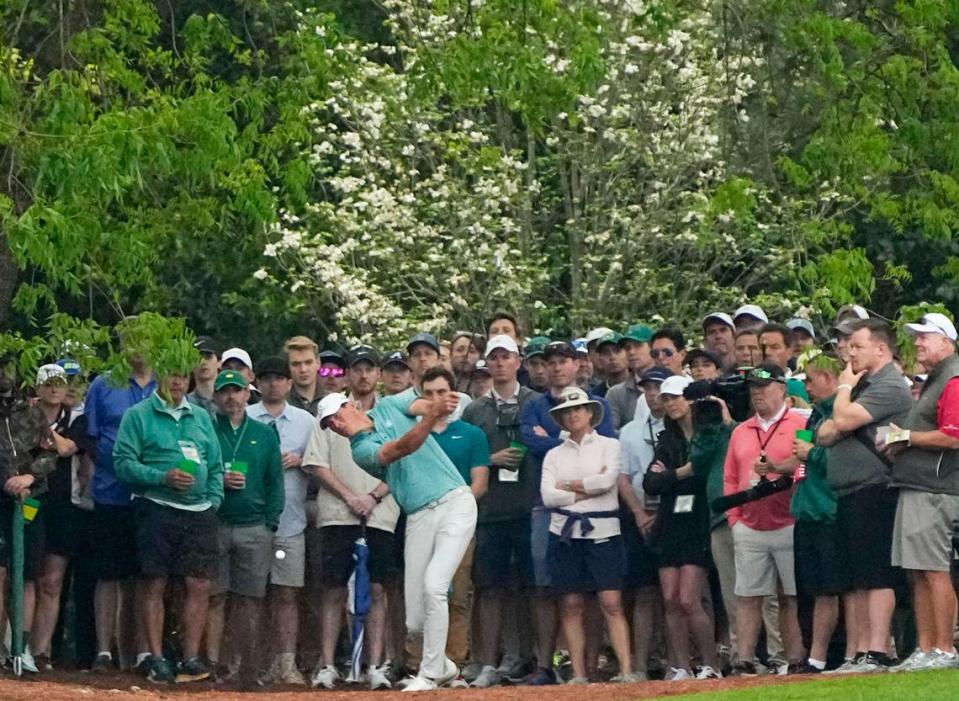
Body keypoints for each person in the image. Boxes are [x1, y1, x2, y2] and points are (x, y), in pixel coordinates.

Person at [320, 385, 475, 692]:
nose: (335, 425)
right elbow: (400, 448)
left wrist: (434, 406)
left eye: (335, 416)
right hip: (418, 515)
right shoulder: (359, 451)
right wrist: (431, 416)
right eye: (328, 425)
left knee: (435, 586)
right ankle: (445, 667)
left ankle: (429, 674)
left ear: (351, 405)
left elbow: (416, 405)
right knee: (415, 622)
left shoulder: (391, 404)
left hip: (455, 502)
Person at [113, 368, 223, 684]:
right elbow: (122, 462)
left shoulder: (201, 416)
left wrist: (214, 500)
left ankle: (190, 658)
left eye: (181, 376)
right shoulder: (138, 415)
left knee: (200, 583)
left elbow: (214, 464)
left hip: (199, 511)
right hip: (156, 508)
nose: (177, 382)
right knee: (155, 582)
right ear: (160, 378)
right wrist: (161, 477)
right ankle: (157, 658)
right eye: (170, 375)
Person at [816, 318, 912, 673]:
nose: (849, 353)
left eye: (856, 346)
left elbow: (839, 423)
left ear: (881, 348)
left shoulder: (887, 385)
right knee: (854, 577)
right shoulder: (863, 386)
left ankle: (876, 650)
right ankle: (857, 652)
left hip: (875, 487)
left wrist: (842, 389)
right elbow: (823, 434)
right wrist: (842, 413)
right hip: (849, 491)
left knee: (875, 573)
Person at [519, 340, 616, 685]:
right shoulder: (533, 405)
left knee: (589, 591)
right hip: (546, 506)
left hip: (594, 512)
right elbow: (532, 442)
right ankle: (547, 664)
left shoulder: (598, 404)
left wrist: (557, 438)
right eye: (551, 362)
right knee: (548, 588)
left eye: (563, 361)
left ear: (577, 365)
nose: (557, 367)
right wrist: (568, 439)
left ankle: (588, 665)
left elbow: (599, 447)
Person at [304, 348, 400, 691]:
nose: (363, 376)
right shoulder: (330, 411)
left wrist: (372, 496)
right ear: (347, 374)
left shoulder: (391, 415)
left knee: (377, 589)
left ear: (377, 374)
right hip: (336, 514)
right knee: (331, 589)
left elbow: (402, 463)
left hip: (381, 514)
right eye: (356, 369)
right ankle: (328, 665)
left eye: (369, 369)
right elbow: (316, 463)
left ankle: (375, 665)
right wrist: (350, 497)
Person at [540, 386, 638, 684]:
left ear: (590, 413)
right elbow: (548, 496)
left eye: (578, 409)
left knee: (611, 601)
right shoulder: (554, 454)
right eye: (567, 412)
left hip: (604, 531)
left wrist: (568, 486)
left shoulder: (610, 445)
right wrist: (583, 491)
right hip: (565, 533)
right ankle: (579, 673)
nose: (573, 415)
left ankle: (625, 670)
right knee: (570, 603)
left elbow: (608, 481)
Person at [462, 335, 541, 688]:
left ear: (518, 361)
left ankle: (539, 657)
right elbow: (462, 459)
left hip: (531, 508)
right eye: (493, 357)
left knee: (534, 588)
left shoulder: (538, 404)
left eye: (505, 356)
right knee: (490, 589)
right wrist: (489, 460)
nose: (499, 363)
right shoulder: (475, 409)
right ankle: (490, 662)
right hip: (490, 511)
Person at [723, 363, 807, 676]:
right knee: (747, 594)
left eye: (764, 387)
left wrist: (780, 468)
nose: (757, 393)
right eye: (753, 389)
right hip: (750, 523)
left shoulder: (801, 423)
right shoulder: (741, 430)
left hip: (789, 519)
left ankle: (795, 656)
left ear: (782, 389)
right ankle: (744, 658)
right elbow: (730, 477)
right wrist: (735, 518)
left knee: (792, 595)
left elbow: (805, 469)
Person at [887, 313, 959, 671]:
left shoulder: (953, 379)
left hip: (935, 486)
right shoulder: (936, 379)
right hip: (917, 484)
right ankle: (926, 647)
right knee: (917, 570)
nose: (917, 343)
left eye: (925, 337)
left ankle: (943, 648)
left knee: (933, 569)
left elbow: (954, 435)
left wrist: (906, 437)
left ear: (946, 342)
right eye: (915, 338)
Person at [206, 370, 285, 689]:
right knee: (215, 596)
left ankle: (248, 669)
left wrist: (271, 523)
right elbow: (198, 470)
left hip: (255, 526)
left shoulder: (265, 433)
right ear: (216, 396)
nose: (231, 397)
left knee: (250, 599)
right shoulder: (208, 429)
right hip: (216, 522)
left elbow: (275, 482)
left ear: (247, 394)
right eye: (224, 391)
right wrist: (217, 482)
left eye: (236, 391)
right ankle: (214, 665)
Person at [643, 375, 721, 680]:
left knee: (689, 598)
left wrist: (670, 475)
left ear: (690, 399)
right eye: (667, 398)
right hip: (670, 522)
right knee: (671, 599)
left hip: (698, 518)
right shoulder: (667, 440)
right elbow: (651, 482)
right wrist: (684, 471)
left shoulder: (709, 433)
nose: (671, 403)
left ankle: (711, 664)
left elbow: (706, 475)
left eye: (676, 397)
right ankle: (682, 667)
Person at [85, 345, 156, 673]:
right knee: (108, 573)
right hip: (110, 492)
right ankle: (103, 651)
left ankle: (143, 653)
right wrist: (121, 469)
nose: (137, 347)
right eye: (131, 340)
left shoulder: (165, 384)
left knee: (147, 575)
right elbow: (91, 438)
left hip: (154, 496)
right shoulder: (103, 384)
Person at [247, 356, 316, 685]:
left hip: (291, 522)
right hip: (249, 522)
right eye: (267, 377)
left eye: (279, 378)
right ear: (257, 383)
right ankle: (251, 662)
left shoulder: (306, 421)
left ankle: (286, 663)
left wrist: (302, 459)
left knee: (287, 594)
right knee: (250, 593)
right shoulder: (243, 417)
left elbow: (320, 464)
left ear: (290, 384)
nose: (273, 383)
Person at [421, 367, 491, 670]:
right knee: (422, 593)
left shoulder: (472, 434)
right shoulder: (414, 434)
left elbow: (480, 482)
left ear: (453, 395)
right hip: (421, 524)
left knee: (458, 594)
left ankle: (455, 662)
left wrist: (455, 512)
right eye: (429, 393)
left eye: (441, 392)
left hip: (460, 525)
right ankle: (420, 663)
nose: (436, 399)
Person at [32, 364, 95, 672]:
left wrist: (44, 433)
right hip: (28, 502)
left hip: (63, 506)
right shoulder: (22, 414)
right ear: (39, 387)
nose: (58, 389)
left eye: (63, 383)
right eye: (51, 383)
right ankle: (16, 647)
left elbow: (68, 448)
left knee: (52, 582)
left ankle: (41, 652)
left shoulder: (78, 419)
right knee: (26, 577)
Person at [0, 371, 58, 674]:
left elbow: (50, 454)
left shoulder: (32, 413)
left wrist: (29, 477)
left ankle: (21, 648)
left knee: (29, 575)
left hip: (31, 500)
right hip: (2, 497)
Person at [790, 351, 845, 673]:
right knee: (809, 589)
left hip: (828, 510)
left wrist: (812, 455)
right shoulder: (814, 416)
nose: (806, 387)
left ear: (828, 378)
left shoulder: (841, 414)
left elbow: (841, 463)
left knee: (827, 589)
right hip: (806, 510)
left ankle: (821, 656)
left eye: (810, 379)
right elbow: (802, 464)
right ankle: (815, 653)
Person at [617, 367, 672, 680]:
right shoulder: (630, 431)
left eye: (658, 388)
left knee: (677, 593)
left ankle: (675, 662)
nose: (653, 394)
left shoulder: (681, 427)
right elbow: (623, 477)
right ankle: (639, 665)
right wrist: (638, 513)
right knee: (644, 592)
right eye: (648, 388)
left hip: (674, 517)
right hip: (639, 517)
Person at [606, 328, 653, 430]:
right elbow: (611, 433)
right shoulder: (616, 394)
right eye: (627, 348)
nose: (631, 352)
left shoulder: (669, 385)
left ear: (652, 347)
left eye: (637, 346)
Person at [284, 336, 322, 416]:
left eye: (308, 362)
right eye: (296, 364)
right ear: (288, 367)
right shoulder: (280, 402)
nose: (303, 369)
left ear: (318, 363)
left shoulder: (332, 400)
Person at [186, 336, 220, 415]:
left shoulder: (229, 401)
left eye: (208, 357)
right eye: (197, 358)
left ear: (219, 362)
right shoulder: (184, 404)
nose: (203, 362)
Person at [591, 333, 629, 398]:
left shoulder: (642, 387)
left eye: (617, 351)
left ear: (627, 353)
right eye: (606, 353)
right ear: (600, 359)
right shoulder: (594, 395)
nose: (612, 357)